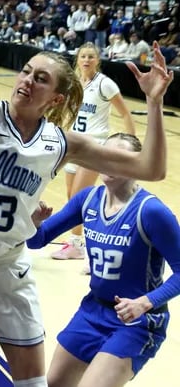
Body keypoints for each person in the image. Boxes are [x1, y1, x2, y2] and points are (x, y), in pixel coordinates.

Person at [0, 17, 172, 387]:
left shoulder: (61, 143)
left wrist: (154, 102)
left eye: (40, 78)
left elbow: (150, 168)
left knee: (33, 384)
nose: (27, 80)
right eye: (26, 72)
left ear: (56, 98)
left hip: (9, 271)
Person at [27, 133, 180, 387]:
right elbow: (36, 241)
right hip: (92, 311)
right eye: (104, 154)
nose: (107, 162)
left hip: (137, 322)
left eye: (117, 157)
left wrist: (145, 302)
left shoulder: (151, 211)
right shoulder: (88, 199)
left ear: (137, 164)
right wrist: (33, 222)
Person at [51, 43, 136, 265]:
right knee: (72, 196)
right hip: (73, 145)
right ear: (77, 60)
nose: (86, 60)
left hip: (94, 147)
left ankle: (80, 244)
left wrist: (131, 146)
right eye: (83, 56)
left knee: (81, 197)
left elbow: (126, 115)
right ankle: (82, 244)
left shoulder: (105, 84)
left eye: (91, 56)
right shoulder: (75, 83)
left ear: (97, 60)